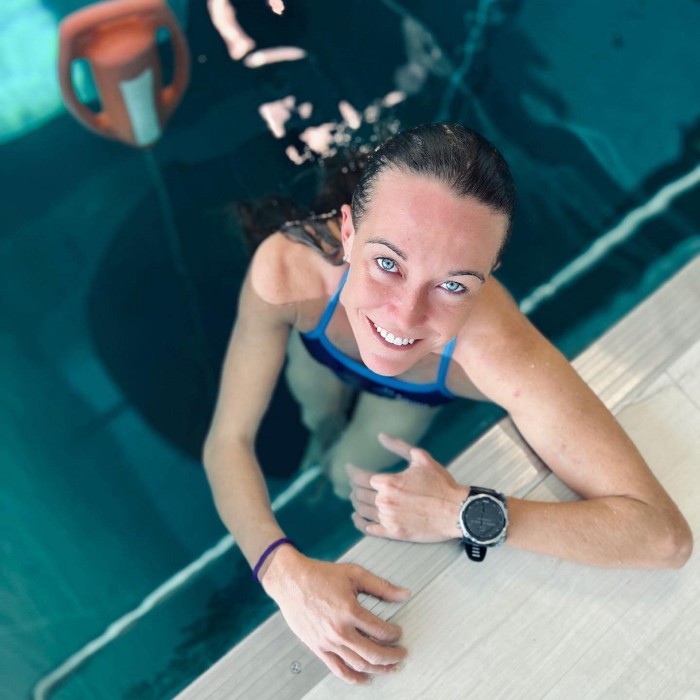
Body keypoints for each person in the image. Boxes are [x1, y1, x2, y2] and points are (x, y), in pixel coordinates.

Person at [202, 123, 692, 685]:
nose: (403, 318)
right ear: (348, 230)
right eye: (387, 263)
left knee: (346, 474)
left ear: (488, 277)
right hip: (323, 346)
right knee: (316, 412)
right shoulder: (288, 271)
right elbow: (228, 442)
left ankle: (330, 459)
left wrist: (465, 512)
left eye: (454, 285)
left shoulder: (496, 351)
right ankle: (322, 430)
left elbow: (662, 537)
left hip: (421, 385)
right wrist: (282, 573)